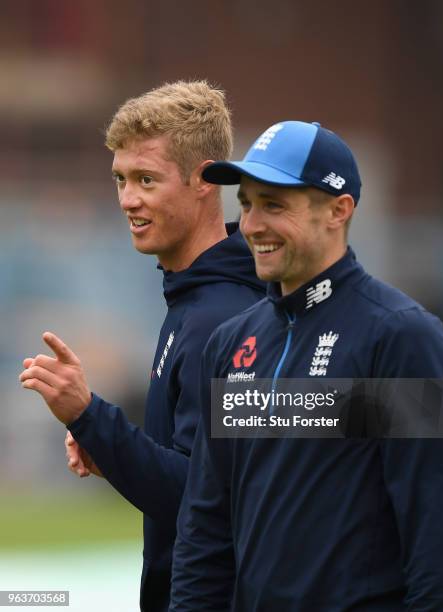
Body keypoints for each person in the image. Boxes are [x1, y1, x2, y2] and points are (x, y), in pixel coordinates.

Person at [170, 121, 443, 610]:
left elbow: (440, 544)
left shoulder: (402, 339)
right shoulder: (232, 343)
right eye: (246, 203)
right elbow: (205, 532)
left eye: (274, 205)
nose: (252, 225)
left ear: (338, 210)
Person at [19, 80, 265, 612]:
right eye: (121, 179)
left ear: (204, 181)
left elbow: (204, 500)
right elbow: (191, 469)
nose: (129, 199)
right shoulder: (195, 301)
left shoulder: (219, 318)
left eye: (147, 180)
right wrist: (113, 452)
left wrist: (88, 417)